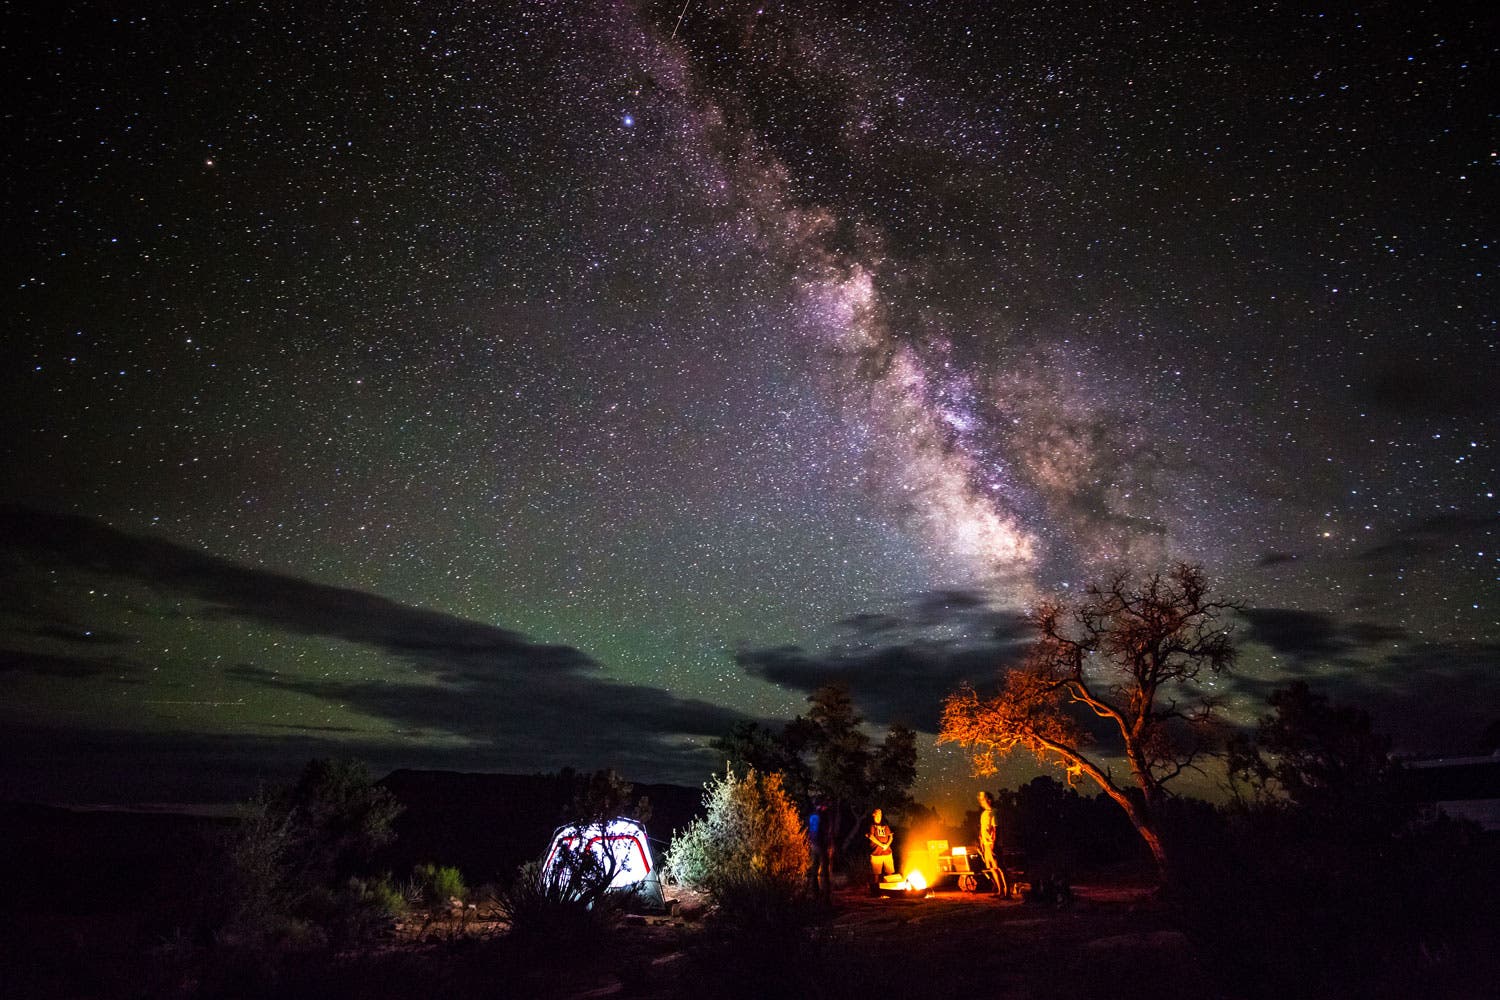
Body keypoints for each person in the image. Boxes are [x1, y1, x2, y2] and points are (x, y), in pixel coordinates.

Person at [977, 790, 1006, 896]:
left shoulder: (994, 812)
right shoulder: (984, 814)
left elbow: (996, 829)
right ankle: (1000, 891)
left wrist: (994, 843)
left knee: (1000, 867)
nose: (981, 801)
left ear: (989, 800)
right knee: (993, 868)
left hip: (993, 844)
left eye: (983, 799)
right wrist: (981, 842)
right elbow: (982, 829)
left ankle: (1007, 893)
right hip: (986, 844)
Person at [807, 795, 835, 902]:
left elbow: (810, 829)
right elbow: (827, 831)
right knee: (825, 870)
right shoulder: (824, 816)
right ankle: (826, 894)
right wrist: (830, 845)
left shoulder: (812, 815)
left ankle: (815, 892)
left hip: (813, 844)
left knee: (814, 869)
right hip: (822, 845)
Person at [866, 807, 894, 892]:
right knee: (876, 874)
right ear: (873, 815)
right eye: (877, 814)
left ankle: (891, 890)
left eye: (880, 814)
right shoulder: (872, 826)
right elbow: (871, 837)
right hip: (876, 853)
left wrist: (886, 845)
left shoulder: (885, 825)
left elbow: (891, 837)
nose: (879, 816)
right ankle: (875, 891)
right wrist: (882, 845)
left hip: (887, 852)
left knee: (889, 873)